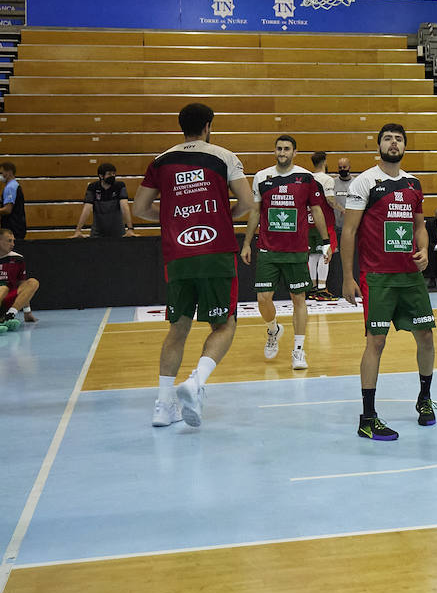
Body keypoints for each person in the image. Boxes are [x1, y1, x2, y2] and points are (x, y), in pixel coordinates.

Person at [134, 103, 254, 428]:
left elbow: (140, 208)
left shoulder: (160, 162)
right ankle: (196, 381)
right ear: (209, 125)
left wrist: (172, 219)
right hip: (217, 251)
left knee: (178, 328)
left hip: (179, 254)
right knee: (225, 325)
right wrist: (221, 219)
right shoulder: (223, 156)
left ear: (181, 126)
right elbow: (247, 202)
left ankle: (162, 405)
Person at [340, 124, 437, 441]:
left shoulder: (413, 184)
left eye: (398, 139)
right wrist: (348, 277)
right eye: (387, 139)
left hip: (410, 277)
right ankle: (367, 417)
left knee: (425, 335)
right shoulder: (366, 181)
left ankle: (425, 399)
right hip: (378, 277)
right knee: (376, 342)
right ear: (379, 145)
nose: (393, 143)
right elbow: (349, 231)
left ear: (405, 146)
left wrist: (423, 249)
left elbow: (419, 225)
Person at [241, 135, 329, 372]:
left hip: (296, 250)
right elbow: (255, 212)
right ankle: (273, 330)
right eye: (279, 148)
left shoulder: (305, 178)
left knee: (299, 299)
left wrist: (326, 241)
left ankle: (298, 351)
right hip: (268, 249)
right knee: (263, 299)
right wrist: (247, 242)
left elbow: (317, 210)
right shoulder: (261, 177)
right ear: (275, 151)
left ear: (295, 152)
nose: (282, 152)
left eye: (287, 149)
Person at [307, 151, 341, 301]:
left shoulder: (308, 178)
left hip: (309, 223)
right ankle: (322, 289)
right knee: (325, 254)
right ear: (325, 162)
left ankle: (313, 288)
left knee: (313, 255)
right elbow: (330, 200)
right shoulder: (327, 179)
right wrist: (343, 209)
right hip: (324, 223)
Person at [72, 163, 137, 238]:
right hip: (98, 230)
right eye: (109, 174)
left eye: (114, 173)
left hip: (117, 229)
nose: (112, 176)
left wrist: (130, 229)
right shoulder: (93, 187)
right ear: (101, 176)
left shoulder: (120, 186)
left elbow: (125, 207)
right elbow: (87, 208)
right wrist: (78, 230)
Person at [0, 227, 39, 331]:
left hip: (7, 299)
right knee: (1, 289)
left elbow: (22, 284)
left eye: (13, 241)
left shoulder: (17, 259)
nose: (13, 244)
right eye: (9, 241)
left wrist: (27, 311)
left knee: (32, 282)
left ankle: (10, 315)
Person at [0, 162, 27, 242]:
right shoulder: (15, 185)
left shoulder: (10, 188)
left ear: (9, 172)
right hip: (17, 226)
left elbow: (7, 210)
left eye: (1, 173)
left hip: (12, 228)